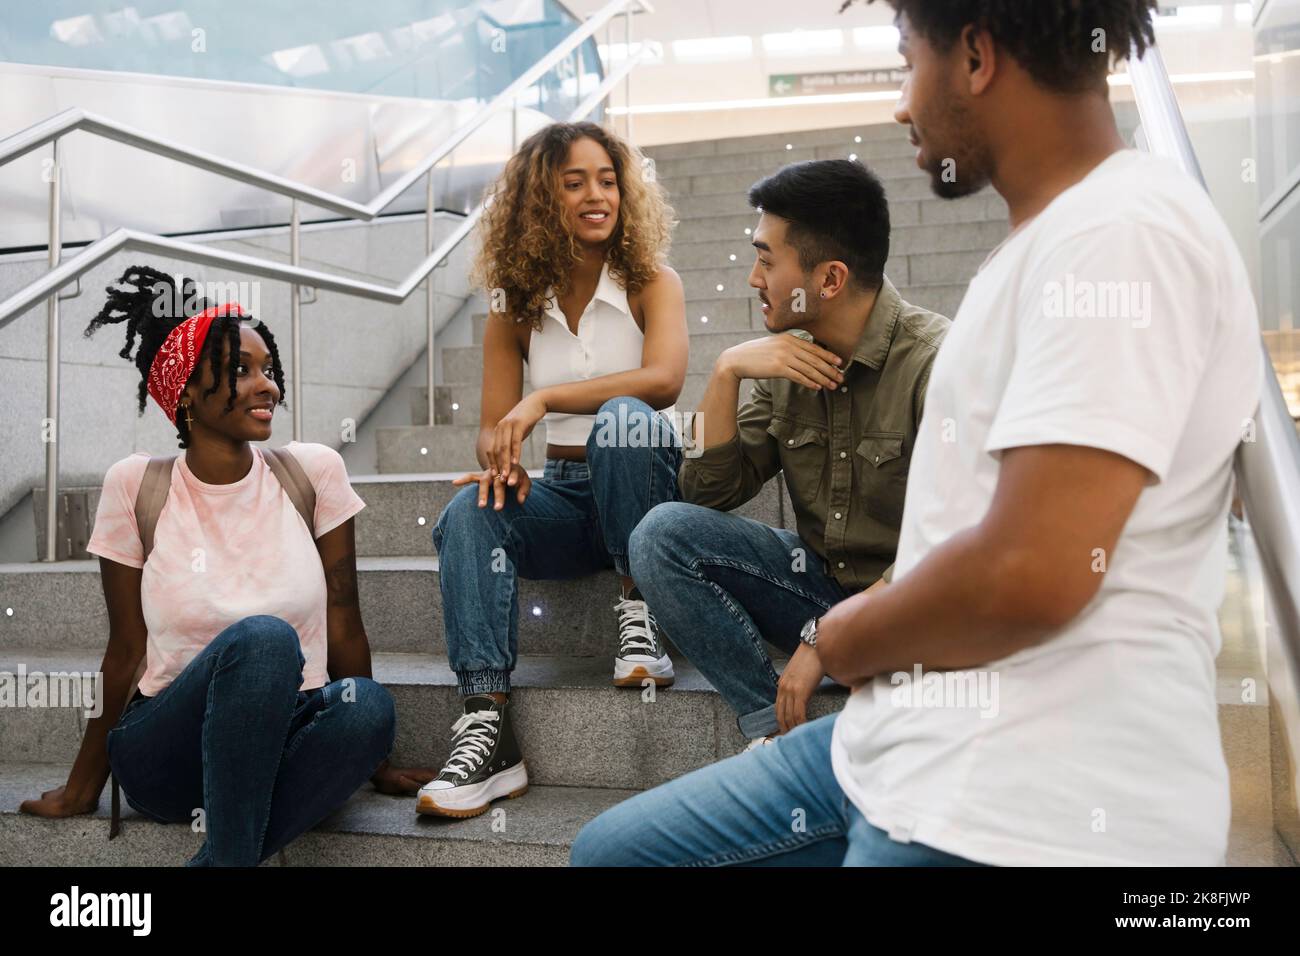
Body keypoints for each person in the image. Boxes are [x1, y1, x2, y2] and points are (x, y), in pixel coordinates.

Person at [573, 0, 1261, 866]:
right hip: (893, 739)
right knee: (610, 854)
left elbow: (1031, 572)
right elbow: (708, 492)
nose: (901, 103)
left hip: (1026, 799)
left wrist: (839, 639)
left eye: (906, 60)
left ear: (975, 55)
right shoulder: (1038, 247)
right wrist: (728, 372)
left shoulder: (1119, 238)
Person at [20, 266, 433, 866]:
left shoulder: (312, 475)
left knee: (368, 707)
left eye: (268, 370)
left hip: (285, 733)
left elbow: (344, 620)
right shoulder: (137, 486)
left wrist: (372, 757)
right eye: (241, 370)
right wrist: (84, 787)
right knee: (264, 639)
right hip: (169, 749)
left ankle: (225, 856)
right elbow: (126, 649)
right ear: (186, 390)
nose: (266, 386)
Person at [628, 158, 949, 749]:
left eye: (766, 260)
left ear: (828, 280)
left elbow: (959, 546)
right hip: (820, 586)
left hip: (915, 607)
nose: (753, 278)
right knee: (659, 534)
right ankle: (769, 733)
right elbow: (706, 492)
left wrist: (826, 636)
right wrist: (725, 374)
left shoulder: (938, 364)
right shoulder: (784, 359)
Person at [419, 121, 688, 818]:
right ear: (542, 200)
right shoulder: (514, 301)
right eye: (574, 182)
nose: (597, 194)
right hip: (563, 498)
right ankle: (487, 727)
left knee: (627, 419)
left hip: (643, 492)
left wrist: (544, 398)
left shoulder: (651, 281)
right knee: (467, 514)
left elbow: (664, 380)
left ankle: (642, 609)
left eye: (607, 180)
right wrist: (499, 463)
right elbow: (491, 424)